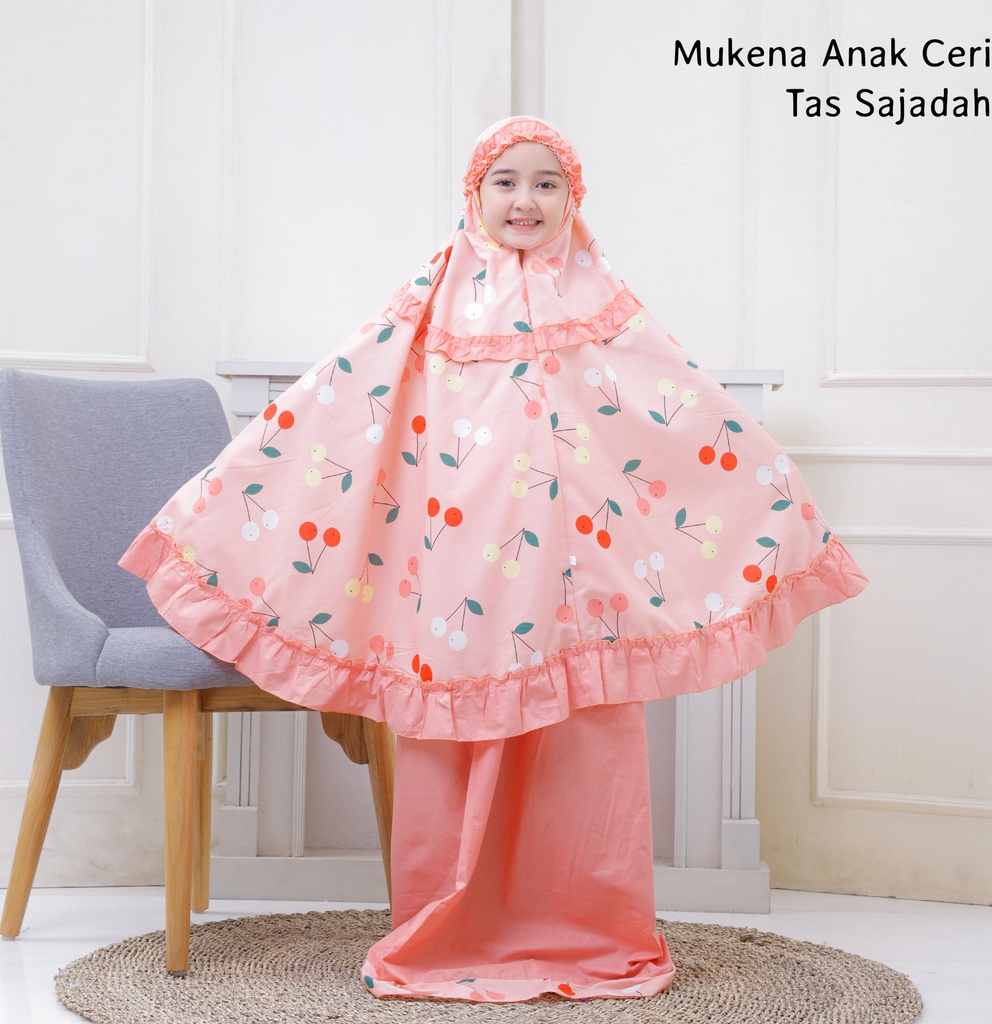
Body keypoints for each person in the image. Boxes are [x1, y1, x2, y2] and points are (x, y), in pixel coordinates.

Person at [121, 116, 867, 1002]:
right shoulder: (433, 295)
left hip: (573, 580)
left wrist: (761, 474)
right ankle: (453, 925)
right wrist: (234, 488)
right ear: (474, 195)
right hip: (457, 571)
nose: (525, 200)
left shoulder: (600, 301)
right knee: (457, 729)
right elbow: (352, 386)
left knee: (582, 737)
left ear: (573, 198)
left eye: (547, 183)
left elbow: (668, 395)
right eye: (506, 182)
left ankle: (587, 924)